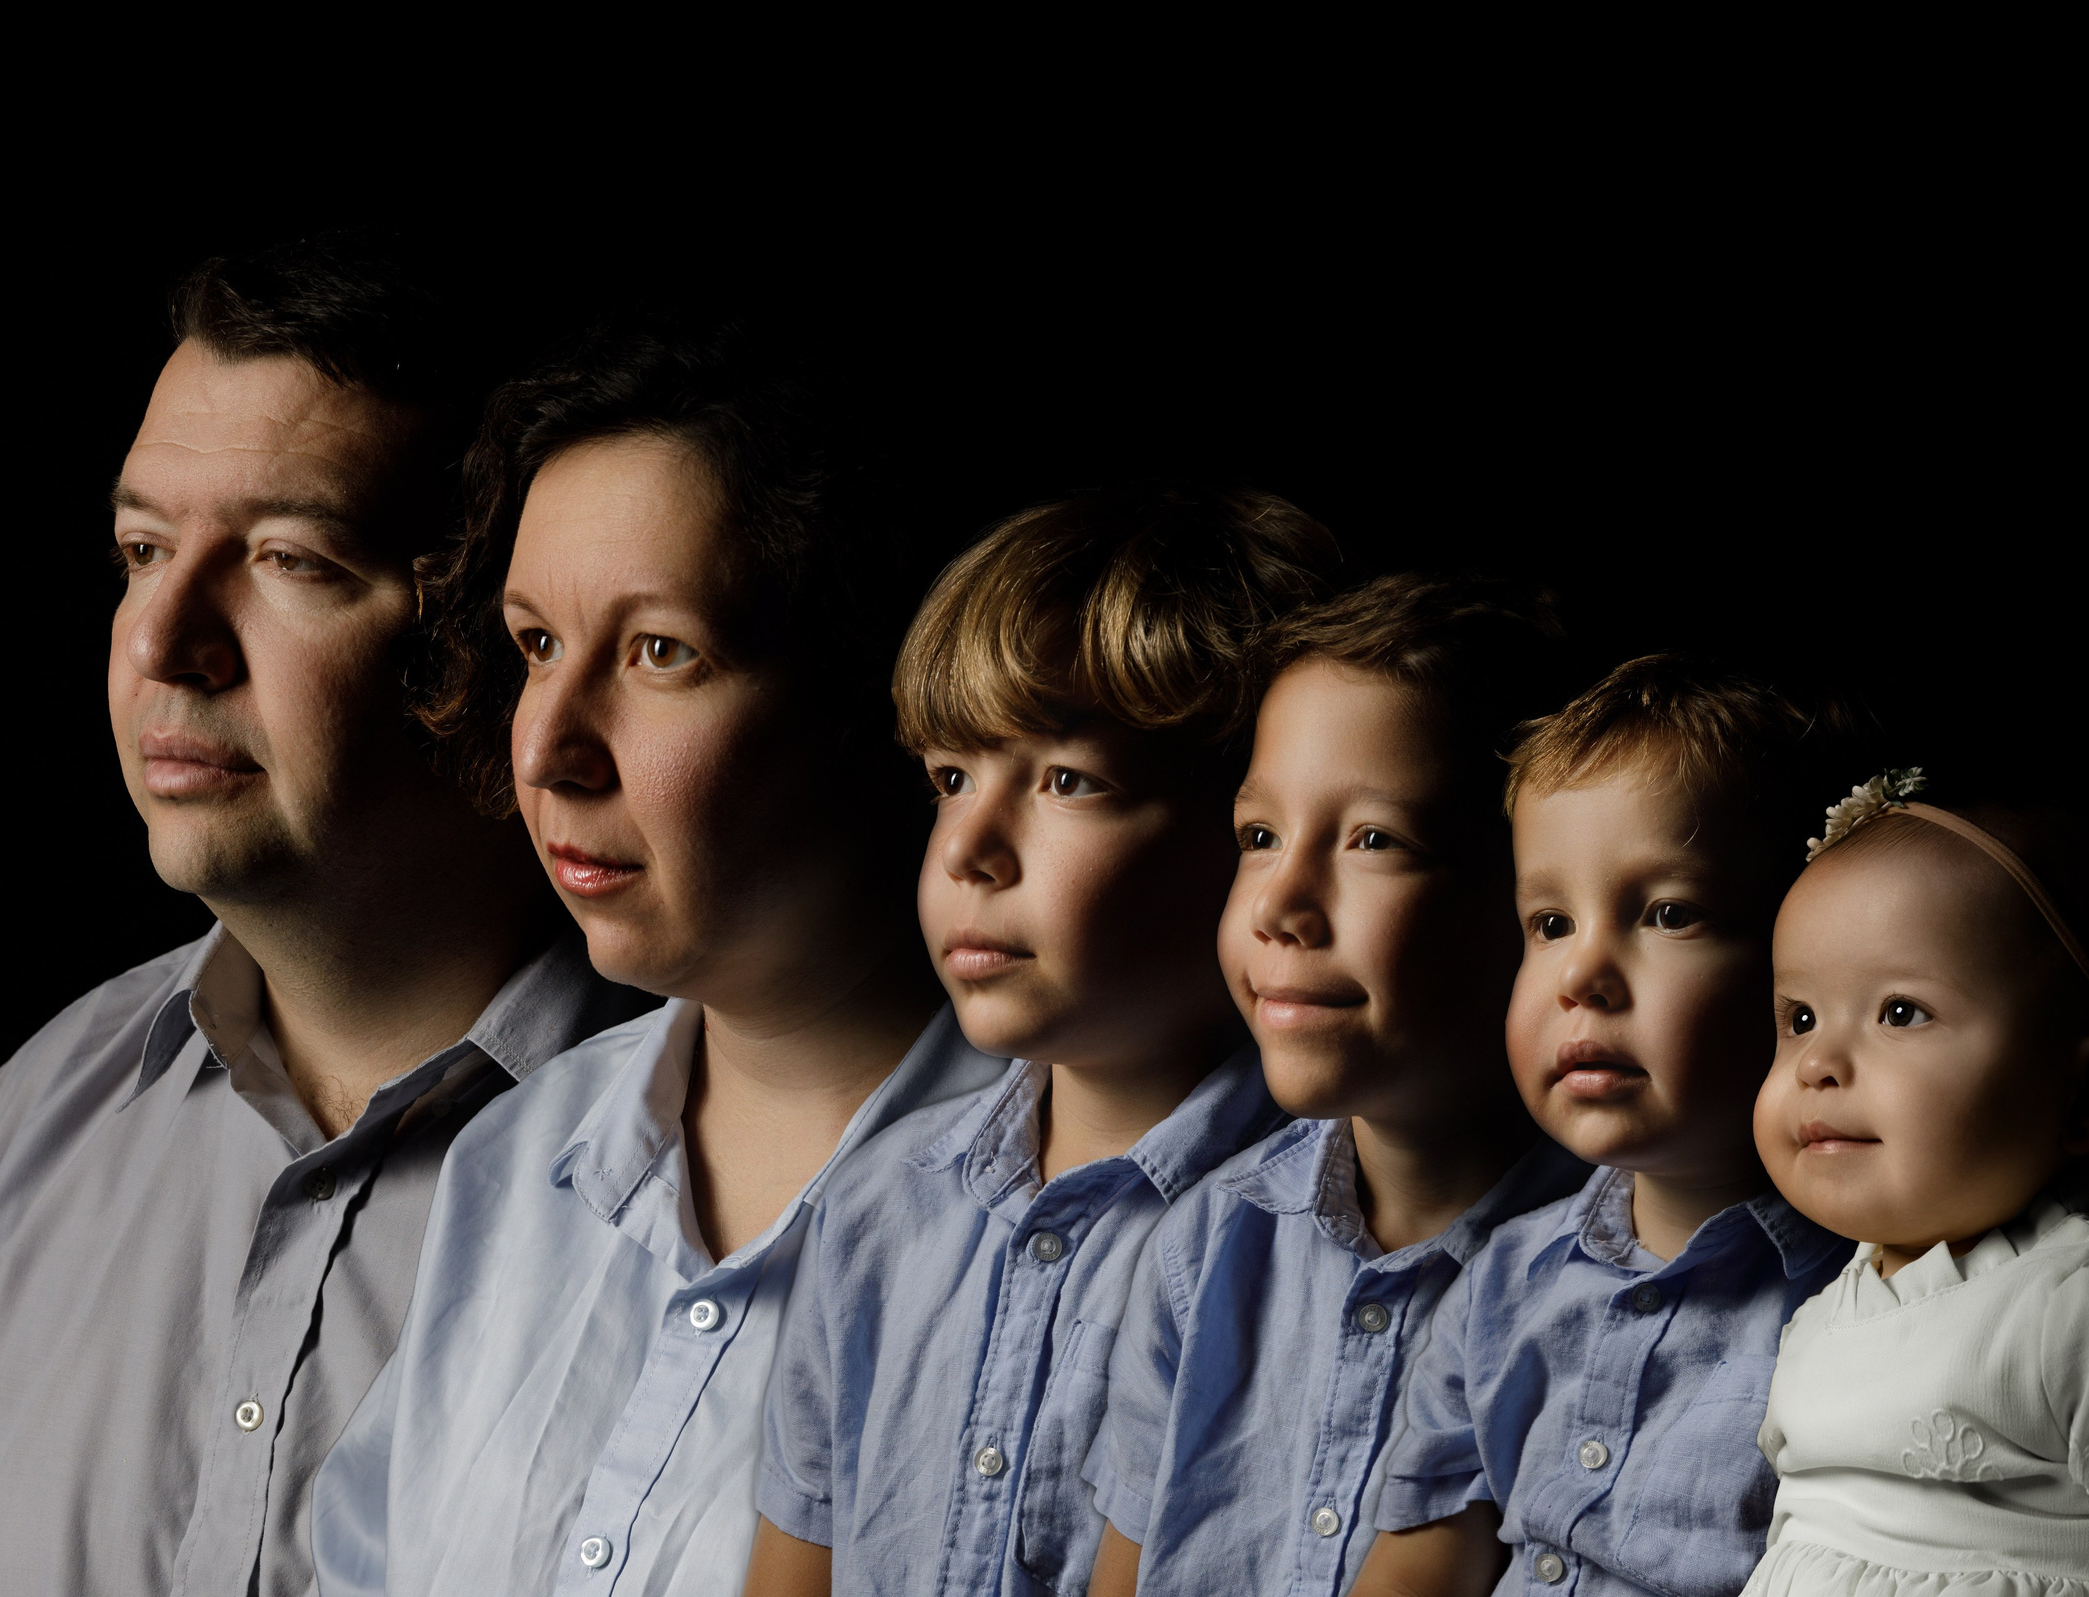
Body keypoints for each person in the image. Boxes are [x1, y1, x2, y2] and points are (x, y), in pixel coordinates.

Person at [0, 236, 651, 1597]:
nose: (161, 639)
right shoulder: (30, 1133)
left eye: (289, 558)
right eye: (142, 548)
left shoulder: (722, 1171)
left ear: (496, 638)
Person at [310, 313, 1005, 1597]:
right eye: (536, 644)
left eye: (659, 652)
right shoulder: (523, 1166)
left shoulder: (1059, 1223)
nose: (548, 747)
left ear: (874, 703)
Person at [742, 487, 1341, 1597]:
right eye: (950, 777)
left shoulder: (1306, 1242)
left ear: (1246, 833)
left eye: (1067, 780)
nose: (968, 845)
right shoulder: (875, 1210)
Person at [1084, 576, 1591, 1597]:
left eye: (1373, 841)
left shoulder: (1604, 1285)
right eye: (1260, 836)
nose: (1281, 904)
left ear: (1530, 898)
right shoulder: (1204, 1250)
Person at [1353, 656, 1857, 1597]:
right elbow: (1416, 1570)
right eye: (1548, 922)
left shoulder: (1858, 1310)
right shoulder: (1497, 1290)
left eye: (1667, 913)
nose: (1581, 974)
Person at [1740, 771, 2089, 1595]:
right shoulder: (1816, 1321)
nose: (1819, 1063)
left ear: (2087, 1094)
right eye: (1799, 1017)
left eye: (1900, 1011)